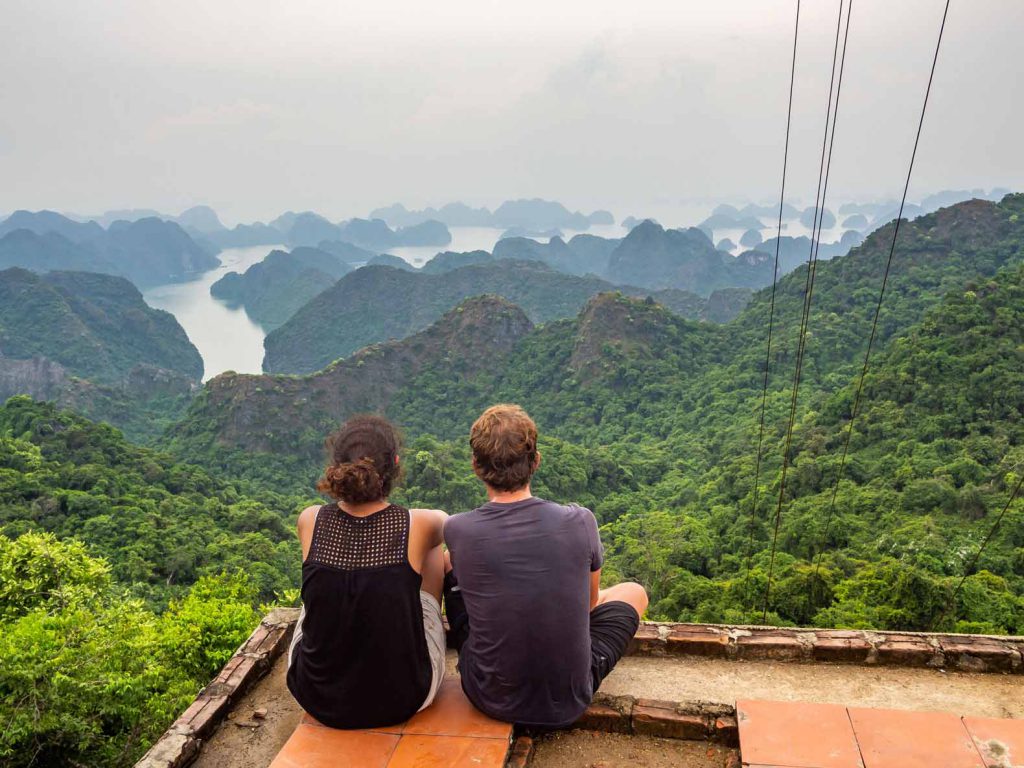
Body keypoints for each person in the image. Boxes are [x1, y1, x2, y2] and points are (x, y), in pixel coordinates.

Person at [443, 403, 649, 728]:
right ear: (536, 461)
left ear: (475, 467)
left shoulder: (458, 529)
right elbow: (590, 605)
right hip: (567, 701)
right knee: (633, 592)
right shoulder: (581, 521)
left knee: (447, 564)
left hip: (487, 696)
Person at [286, 415, 447, 729]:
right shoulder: (418, 524)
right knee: (432, 549)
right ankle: (414, 635)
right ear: (395, 464)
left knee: (317, 587)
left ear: (337, 467)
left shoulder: (310, 519)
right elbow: (452, 527)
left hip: (316, 696)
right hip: (405, 698)